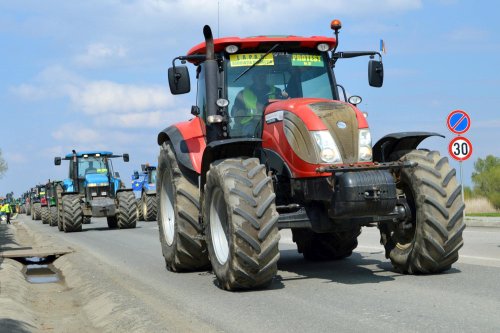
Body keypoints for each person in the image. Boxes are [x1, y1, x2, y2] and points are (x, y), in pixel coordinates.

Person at [231, 71, 283, 136]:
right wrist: (239, 113)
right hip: (250, 123)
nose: (261, 78)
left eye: (263, 75)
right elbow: (237, 115)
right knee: (250, 131)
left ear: (266, 77)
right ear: (253, 78)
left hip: (272, 121)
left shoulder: (276, 91)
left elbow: (283, 108)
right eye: (258, 75)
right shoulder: (242, 94)